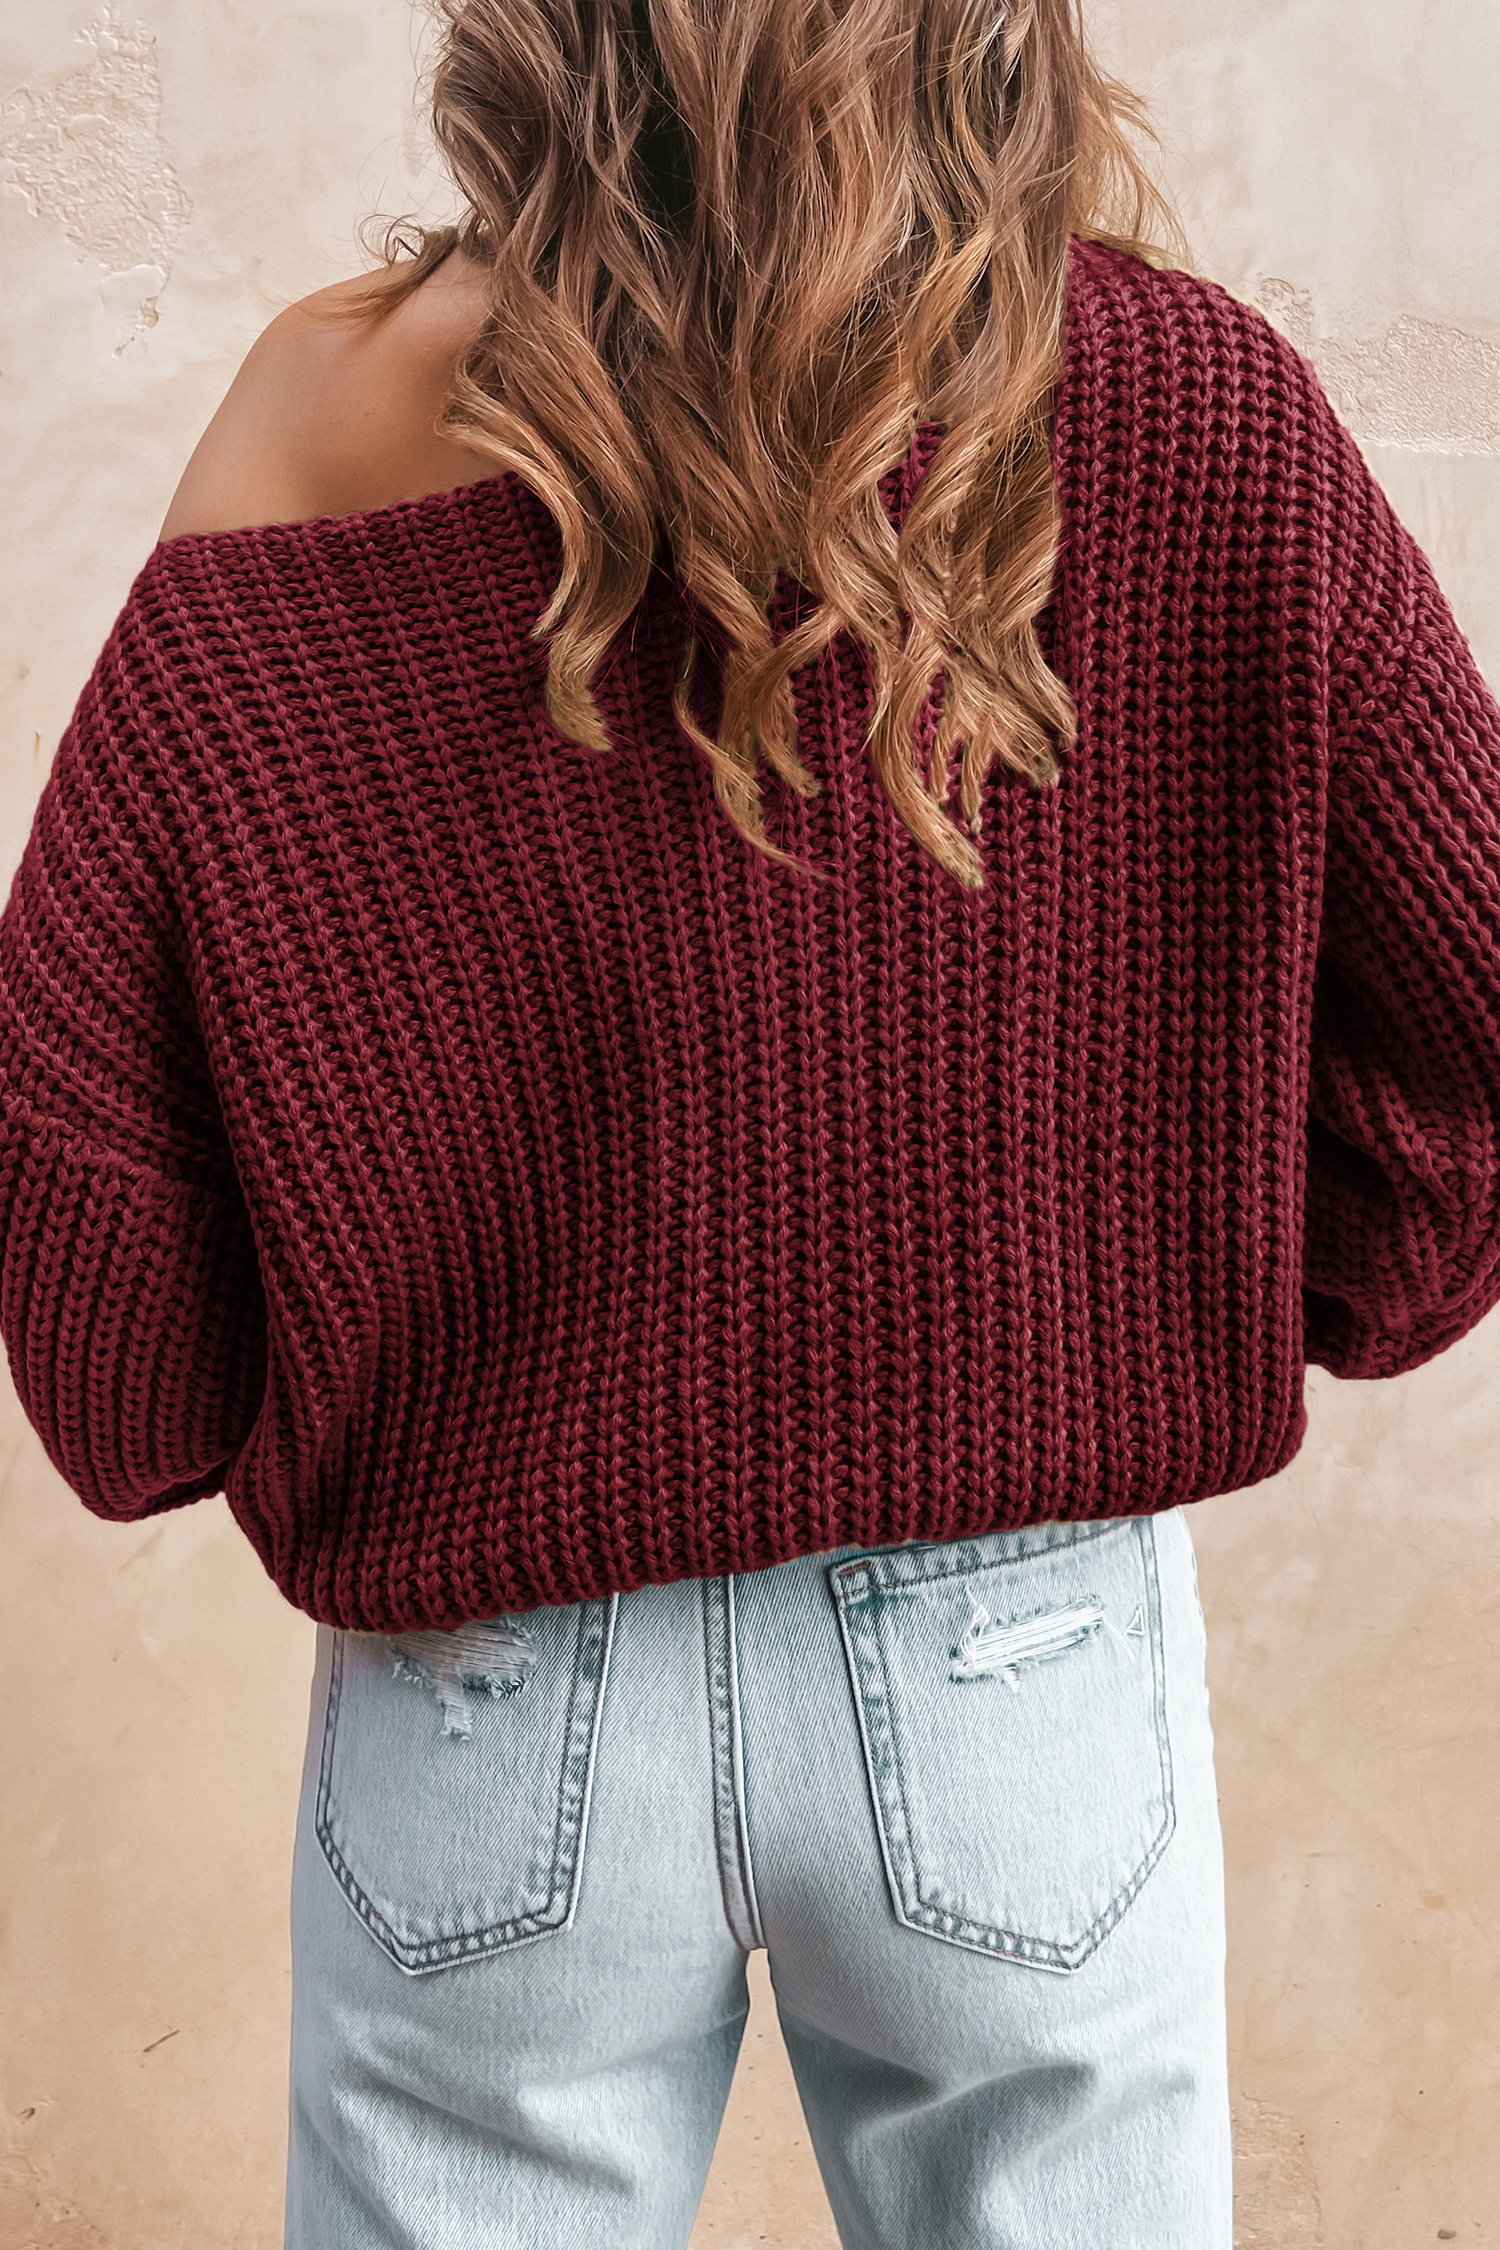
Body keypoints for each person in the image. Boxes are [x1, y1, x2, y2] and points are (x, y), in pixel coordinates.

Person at [3, 3, 1498, 2246]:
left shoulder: (316, 420)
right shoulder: (1184, 400)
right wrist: (1167, 1283)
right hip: (1020, 1666)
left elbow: (100, 1300)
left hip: (493, 1696)